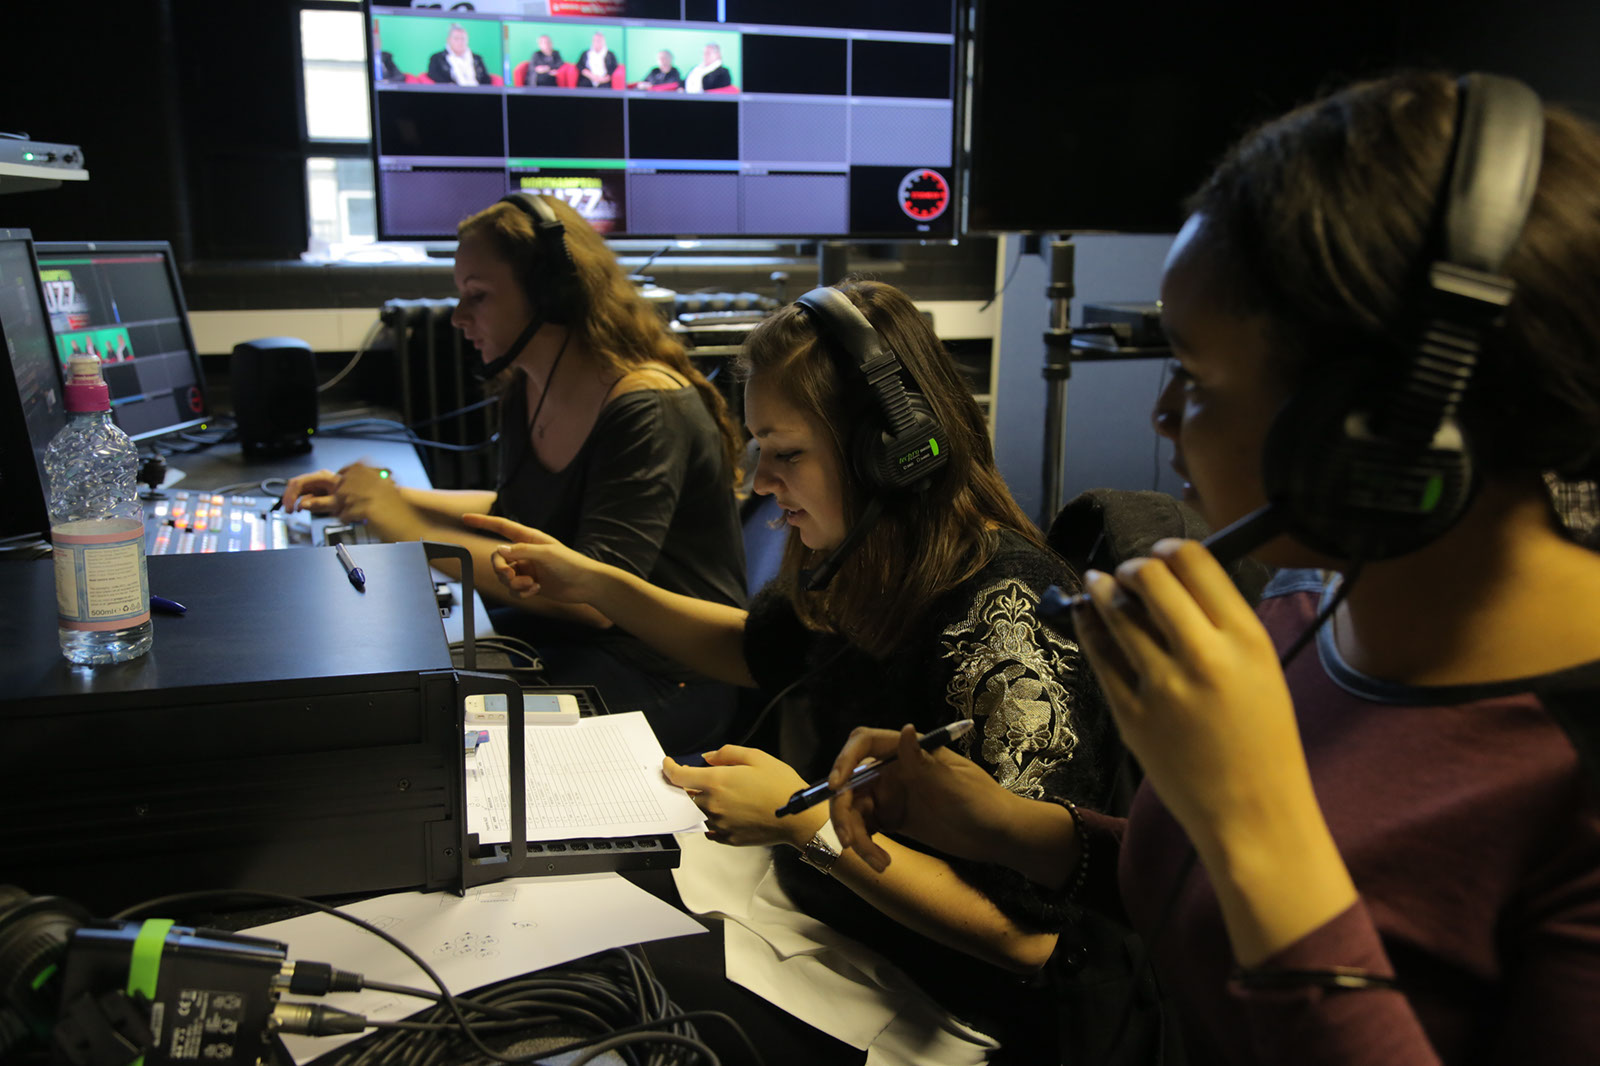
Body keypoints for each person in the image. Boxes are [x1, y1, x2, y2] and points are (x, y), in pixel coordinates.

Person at [825, 71, 1600, 1065]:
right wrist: (1016, 829)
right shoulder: (1307, 610)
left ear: (1376, 437)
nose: (1158, 419)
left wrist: (1248, 813)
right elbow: (1202, 897)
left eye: (1191, 378)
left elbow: (1264, 872)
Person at [476, 280, 1119, 1060]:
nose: (758, 483)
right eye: (757, 449)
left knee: (610, 1007)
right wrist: (602, 585)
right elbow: (758, 647)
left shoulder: (999, 616)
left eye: (786, 454)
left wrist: (804, 823)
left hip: (933, 996)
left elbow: (1029, 941)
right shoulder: (864, 556)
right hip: (822, 910)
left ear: (891, 453)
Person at [281, 194, 747, 754]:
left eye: (477, 295)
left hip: (664, 676)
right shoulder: (529, 384)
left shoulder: (645, 408)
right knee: (389, 675)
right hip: (574, 643)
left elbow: (592, 600)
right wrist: (385, 496)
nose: (458, 317)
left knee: (421, 727)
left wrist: (410, 531)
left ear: (552, 294)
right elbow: (515, 511)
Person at [426, 23, 492, 86]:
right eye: (456, 38)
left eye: (463, 39)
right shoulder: (437, 58)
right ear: (448, 40)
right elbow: (434, 77)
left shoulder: (477, 58)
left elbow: (486, 80)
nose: (460, 42)